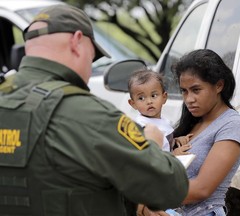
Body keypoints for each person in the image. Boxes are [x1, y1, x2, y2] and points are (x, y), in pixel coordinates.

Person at [0, 5, 189, 216]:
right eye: (92, 58)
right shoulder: (89, 114)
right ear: (77, 42)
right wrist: (152, 144)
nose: (89, 71)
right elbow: (172, 187)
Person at [146, 49, 240, 215]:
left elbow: (202, 188)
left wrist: (147, 198)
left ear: (219, 85)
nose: (189, 99)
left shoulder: (232, 125)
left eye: (196, 90)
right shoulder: (191, 122)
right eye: (184, 91)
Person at [128, 69, 193, 155]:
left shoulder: (164, 121)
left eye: (154, 95)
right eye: (141, 98)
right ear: (133, 104)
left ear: (164, 97)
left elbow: (164, 143)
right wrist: (173, 154)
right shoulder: (142, 127)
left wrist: (175, 141)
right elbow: (150, 156)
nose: (149, 101)